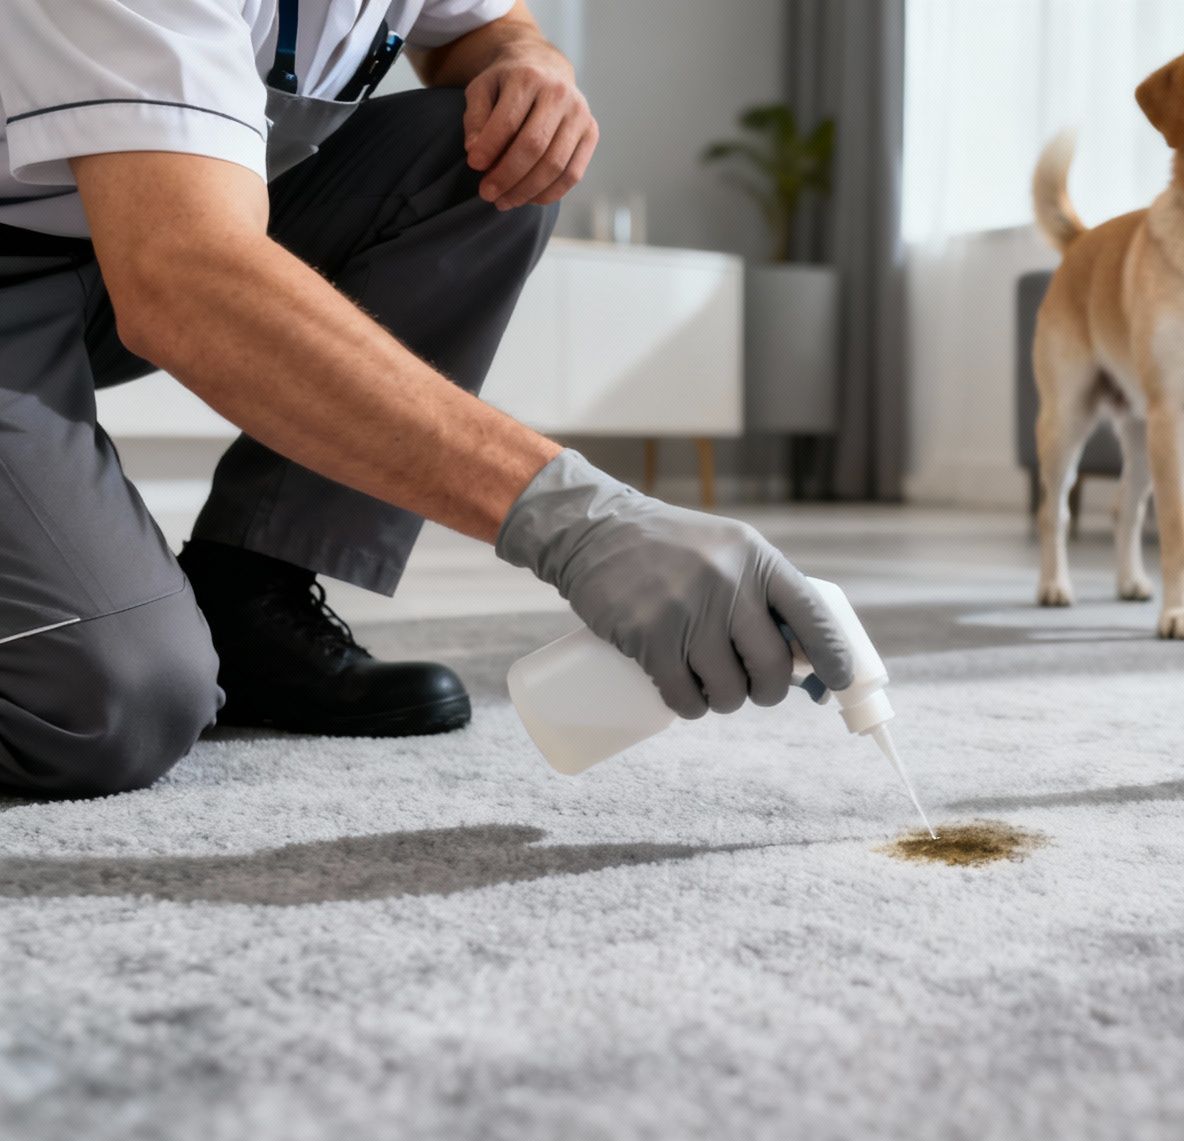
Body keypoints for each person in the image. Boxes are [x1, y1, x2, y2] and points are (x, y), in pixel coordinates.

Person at [0, 0, 853, 800]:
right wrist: (579, 521)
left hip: (128, 238)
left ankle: (249, 599)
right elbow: (180, 273)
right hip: (97, 251)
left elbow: (482, 29)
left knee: (487, 150)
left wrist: (529, 59)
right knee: (112, 700)